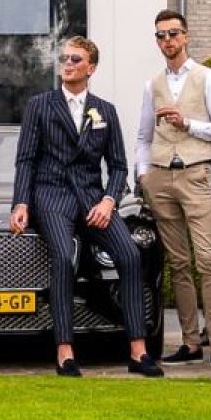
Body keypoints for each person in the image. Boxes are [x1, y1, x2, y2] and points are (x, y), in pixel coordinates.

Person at [10, 36, 162, 378]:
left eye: (75, 59)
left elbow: (120, 166)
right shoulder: (40, 105)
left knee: (131, 254)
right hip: (52, 196)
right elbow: (26, 160)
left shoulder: (104, 110)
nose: (67, 64)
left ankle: (138, 352)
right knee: (64, 257)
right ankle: (65, 351)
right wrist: (21, 202)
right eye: (64, 58)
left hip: (94, 200)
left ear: (90, 67)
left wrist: (109, 201)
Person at [132, 10, 211, 363]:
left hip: (196, 172)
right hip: (160, 177)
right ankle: (191, 342)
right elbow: (143, 136)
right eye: (161, 35)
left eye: (173, 33)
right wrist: (143, 174)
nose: (167, 41)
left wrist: (188, 123)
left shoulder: (208, 79)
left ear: (186, 36)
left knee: (207, 258)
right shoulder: (153, 83)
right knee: (177, 262)